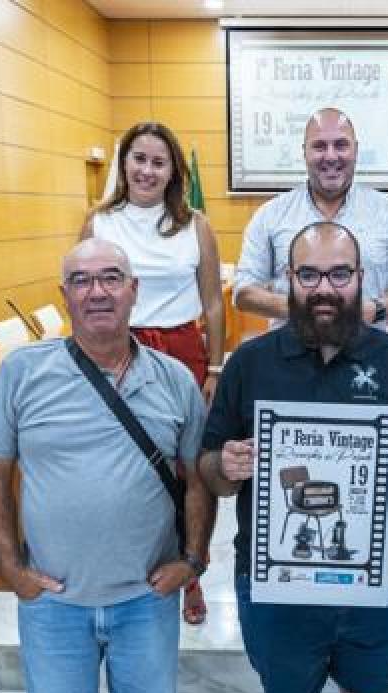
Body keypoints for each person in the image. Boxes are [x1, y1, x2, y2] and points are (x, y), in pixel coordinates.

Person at [200, 221, 388, 693]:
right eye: (308, 274)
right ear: (287, 280)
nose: (324, 288)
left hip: (384, 581)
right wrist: (225, 465)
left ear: (362, 278)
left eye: (340, 273)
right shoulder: (250, 363)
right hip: (278, 584)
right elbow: (210, 470)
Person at [0, 238, 212, 693]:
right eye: (82, 281)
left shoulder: (175, 380)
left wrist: (192, 559)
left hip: (145, 602)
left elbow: (196, 479)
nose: (97, 292)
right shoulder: (22, 374)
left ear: (134, 291)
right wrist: (11, 569)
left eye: (110, 278)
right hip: (54, 606)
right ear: (64, 296)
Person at [82, 120, 222, 625]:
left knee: (187, 469)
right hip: (115, 347)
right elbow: (81, 292)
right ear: (124, 165)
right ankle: (121, 565)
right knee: (123, 464)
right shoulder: (99, 221)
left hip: (182, 349)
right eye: (138, 158)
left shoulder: (194, 224)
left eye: (158, 161)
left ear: (172, 172)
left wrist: (217, 366)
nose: (146, 169)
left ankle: (193, 570)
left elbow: (212, 301)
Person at [233, 107, 388, 330]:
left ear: (356, 150)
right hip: (290, 358)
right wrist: (304, 308)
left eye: (341, 145)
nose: (331, 156)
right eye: (319, 146)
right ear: (304, 152)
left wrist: (376, 309)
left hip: (368, 356)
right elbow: (244, 291)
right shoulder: (270, 215)